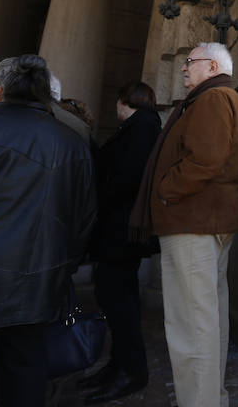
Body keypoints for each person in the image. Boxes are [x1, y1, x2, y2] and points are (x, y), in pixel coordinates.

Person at [0, 55, 96, 405]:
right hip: (39, 287)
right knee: (25, 379)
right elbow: (84, 222)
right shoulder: (72, 142)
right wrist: (62, 270)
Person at [130, 42, 238, 407]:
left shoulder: (211, 99)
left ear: (211, 66)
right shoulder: (218, 96)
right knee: (206, 322)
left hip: (193, 222)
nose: (183, 68)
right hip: (203, 221)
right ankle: (211, 398)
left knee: (191, 327)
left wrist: (164, 191)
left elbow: (204, 160)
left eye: (189, 63)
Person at [81, 81, 161, 403]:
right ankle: (120, 364)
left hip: (121, 231)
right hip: (119, 230)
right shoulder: (138, 128)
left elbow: (128, 178)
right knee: (117, 299)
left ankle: (131, 370)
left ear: (123, 101)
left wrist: (100, 197)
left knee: (119, 302)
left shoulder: (140, 129)